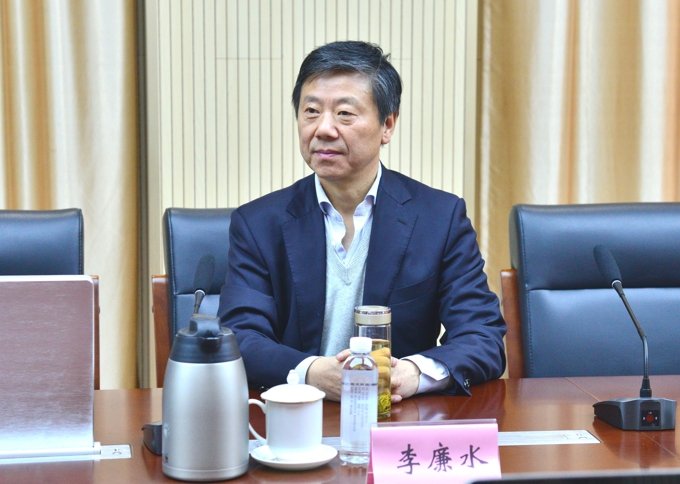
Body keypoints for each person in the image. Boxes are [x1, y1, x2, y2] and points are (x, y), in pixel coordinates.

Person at [218, 40, 506, 402]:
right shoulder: (259, 224)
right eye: (311, 111)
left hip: (395, 417)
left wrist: (414, 373)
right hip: (294, 417)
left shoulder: (439, 218)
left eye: (344, 113)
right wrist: (311, 372)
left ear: (388, 125)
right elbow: (239, 337)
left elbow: (482, 335)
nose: (323, 129)